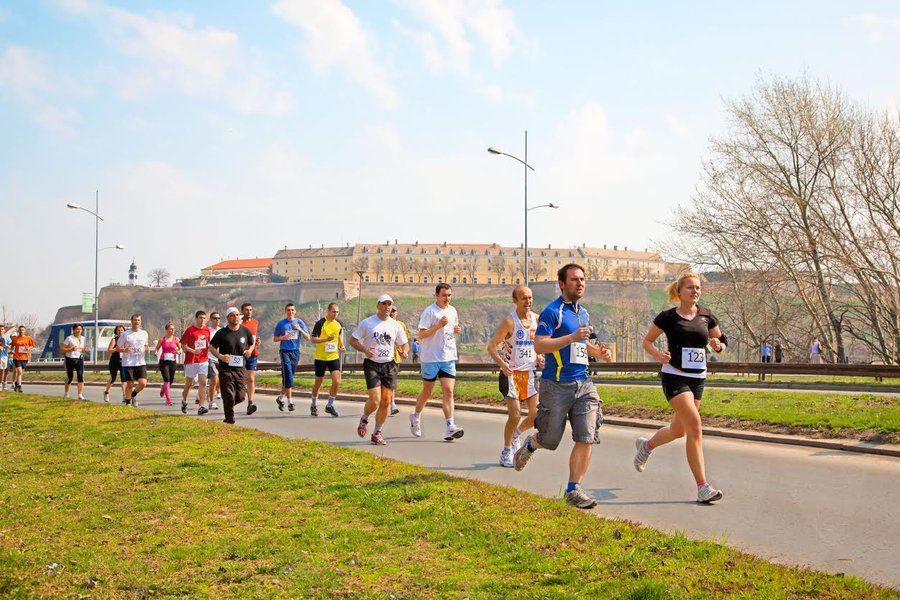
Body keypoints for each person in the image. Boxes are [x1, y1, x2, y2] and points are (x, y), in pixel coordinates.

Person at [512, 264, 612, 509]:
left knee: (587, 435)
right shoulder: (551, 312)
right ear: (562, 283)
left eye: (582, 279)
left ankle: (573, 489)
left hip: (584, 383)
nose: (580, 284)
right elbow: (540, 345)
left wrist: (598, 352)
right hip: (555, 384)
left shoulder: (583, 313)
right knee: (550, 439)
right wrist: (570, 337)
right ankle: (531, 444)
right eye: (574, 280)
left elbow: (583, 343)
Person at [632, 272, 726, 504]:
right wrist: (658, 355)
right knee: (694, 426)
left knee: (679, 430)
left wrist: (718, 345)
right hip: (674, 376)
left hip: (698, 377)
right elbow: (647, 341)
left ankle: (647, 445)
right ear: (679, 292)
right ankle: (703, 487)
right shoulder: (667, 317)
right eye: (691, 288)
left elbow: (722, 341)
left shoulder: (706, 316)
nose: (695, 291)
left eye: (698, 288)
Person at [487, 285, 544, 468]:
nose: (528, 302)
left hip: (529, 374)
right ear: (515, 301)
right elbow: (492, 346)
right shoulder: (509, 322)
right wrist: (502, 365)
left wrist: (540, 356)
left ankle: (516, 434)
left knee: (536, 415)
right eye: (523, 298)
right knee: (515, 414)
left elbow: (539, 345)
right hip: (511, 374)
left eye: (530, 298)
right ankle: (506, 450)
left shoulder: (537, 319)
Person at [349, 294, 409, 445]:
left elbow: (404, 343)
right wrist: (364, 350)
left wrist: (405, 351)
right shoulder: (368, 323)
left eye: (389, 304)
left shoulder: (395, 325)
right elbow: (353, 340)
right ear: (378, 305)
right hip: (372, 363)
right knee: (375, 401)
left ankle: (377, 432)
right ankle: (364, 418)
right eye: (384, 304)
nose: (387, 307)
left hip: (389, 364)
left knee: (386, 402)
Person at [410, 283, 464, 441]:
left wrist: (457, 330)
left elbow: (453, 328)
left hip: (448, 357)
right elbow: (421, 334)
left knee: (448, 392)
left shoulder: (452, 310)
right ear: (436, 295)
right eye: (444, 295)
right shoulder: (430, 311)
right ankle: (416, 416)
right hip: (431, 358)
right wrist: (438, 326)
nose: (447, 298)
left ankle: (450, 427)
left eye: (449, 295)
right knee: (427, 393)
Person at [209, 307, 255, 424]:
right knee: (229, 394)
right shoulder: (222, 333)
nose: (235, 317)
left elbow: (252, 342)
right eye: (232, 315)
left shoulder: (245, 331)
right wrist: (220, 356)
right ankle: (229, 419)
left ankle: (228, 406)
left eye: (237, 315)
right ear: (228, 318)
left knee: (241, 396)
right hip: (225, 368)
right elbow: (211, 347)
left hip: (240, 368)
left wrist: (249, 351)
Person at [273, 303, 310, 412]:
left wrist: (300, 329)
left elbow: (308, 338)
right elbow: (275, 339)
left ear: (295, 311)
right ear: (285, 312)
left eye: (292, 310)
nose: (291, 312)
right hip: (285, 351)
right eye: (288, 310)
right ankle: (290, 402)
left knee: (289, 377)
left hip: (295, 352)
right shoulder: (281, 324)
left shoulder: (299, 322)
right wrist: (283, 337)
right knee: (288, 375)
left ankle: (280, 398)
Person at [310, 302, 344, 417]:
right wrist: (326, 339)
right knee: (318, 383)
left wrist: (341, 345)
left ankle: (329, 405)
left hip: (333, 356)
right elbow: (313, 339)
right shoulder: (320, 323)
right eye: (333, 311)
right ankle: (314, 404)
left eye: (337, 312)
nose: (335, 314)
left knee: (337, 381)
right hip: (321, 358)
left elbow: (338, 336)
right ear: (328, 311)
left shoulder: (338, 324)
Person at [181, 311, 217, 416]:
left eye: (204, 318)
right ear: (196, 318)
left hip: (203, 360)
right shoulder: (190, 330)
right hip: (191, 360)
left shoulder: (207, 330)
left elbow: (209, 344)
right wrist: (193, 351)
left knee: (203, 382)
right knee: (189, 384)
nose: (202, 320)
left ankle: (201, 406)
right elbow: (183, 346)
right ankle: (184, 400)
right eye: (200, 318)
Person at [116, 313, 150, 406]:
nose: (136, 322)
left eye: (138, 320)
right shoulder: (125, 334)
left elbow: (146, 345)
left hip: (140, 362)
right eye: (135, 320)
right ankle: (128, 403)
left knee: (143, 383)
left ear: (140, 322)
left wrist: (147, 348)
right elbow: (118, 348)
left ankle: (133, 394)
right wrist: (124, 350)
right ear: (131, 321)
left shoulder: (144, 333)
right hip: (128, 363)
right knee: (130, 384)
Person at [388, 305, 410, 416]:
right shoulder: (383, 324)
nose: (392, 313)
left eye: (394, 311)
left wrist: (405, 351)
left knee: (392, 382)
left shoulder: (401, 325)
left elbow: (405, 341)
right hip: (382, 358)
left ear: (397, 313)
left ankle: (392, 404)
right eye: (391, 311)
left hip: (395, 358)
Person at [240, 303, 261, 415]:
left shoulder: (255, 322)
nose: (249, 312)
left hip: (252, 353)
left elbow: (253, 337)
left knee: (251, 378)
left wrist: (257, 341)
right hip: (239, 354)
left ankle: (250, 403)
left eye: (251, 310)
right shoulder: (238, 323)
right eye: (247, 310)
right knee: (240, 378)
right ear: (242, 311)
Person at [155, 322, 180, 406]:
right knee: (167, 379)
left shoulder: (176, 339)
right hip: (163, 362)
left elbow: (180, 349)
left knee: (171, 380)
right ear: (167, 330)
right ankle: (168, 400)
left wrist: (178, 352)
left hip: (172, 362)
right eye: (171, 329)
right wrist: (155, 352)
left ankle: (163, 388)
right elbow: (157, 348)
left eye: (173, 329)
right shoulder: (162, 339)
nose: (173, 330)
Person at [62, 323, 88, 400]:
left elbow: (82, 348)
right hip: (69, 359)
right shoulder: (69, 338)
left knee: (80, 376)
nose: (79, 331)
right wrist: (70, 349)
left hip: (79, 358)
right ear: (73, 330)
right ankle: (66, 393)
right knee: (70, 377)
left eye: (80, 329)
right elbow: (62, 349)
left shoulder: (83, 338)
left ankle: (80, 395)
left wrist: (84, 349)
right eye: (77, 329)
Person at [104, 324, 127, 403]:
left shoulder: (126, 340)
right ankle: (106, 392)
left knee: (124, 379)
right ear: (116, 332)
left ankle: (124, 396)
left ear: (124, 331)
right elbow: (109, 350)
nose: (120, 331)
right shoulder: (114, 339)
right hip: (114, 361)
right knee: (113, 378)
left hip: (123, 361)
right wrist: (116, 349)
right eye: (118, 330)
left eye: (122, 330)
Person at [10, 325, 36, 393]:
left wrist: (28, 348)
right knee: (19, 371)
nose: (21, 331)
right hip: (16, 357)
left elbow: (32, 345)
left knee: (20, 373)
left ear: (25, 331)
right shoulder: (15, 339)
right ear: (18, 331)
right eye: (20, 330)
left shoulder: (28, 338)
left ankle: (16, 383)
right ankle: (20, 387)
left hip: (25, 357)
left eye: (23, 330)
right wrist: (12, 350)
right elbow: (12, 346)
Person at [207, 312, 222, 410]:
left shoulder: (222, 331)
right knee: (214, 378)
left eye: (219, 318)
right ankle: (212, 402)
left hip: (221, 359)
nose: (217, 320)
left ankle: (209, 393)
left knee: (219, 381)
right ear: (211, 319)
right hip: (210, 358)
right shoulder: (207, 331)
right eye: (215, 318)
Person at [0, 324, 11, 391]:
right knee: (1, 370)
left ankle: (4, 383)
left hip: (4, 356)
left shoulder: (7, 338)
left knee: (3, 370)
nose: (1, 331)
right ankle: (0, 384)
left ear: (4, 330)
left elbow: (10, 346)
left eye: (2, 329)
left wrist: (6, 346)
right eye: (0, 329)